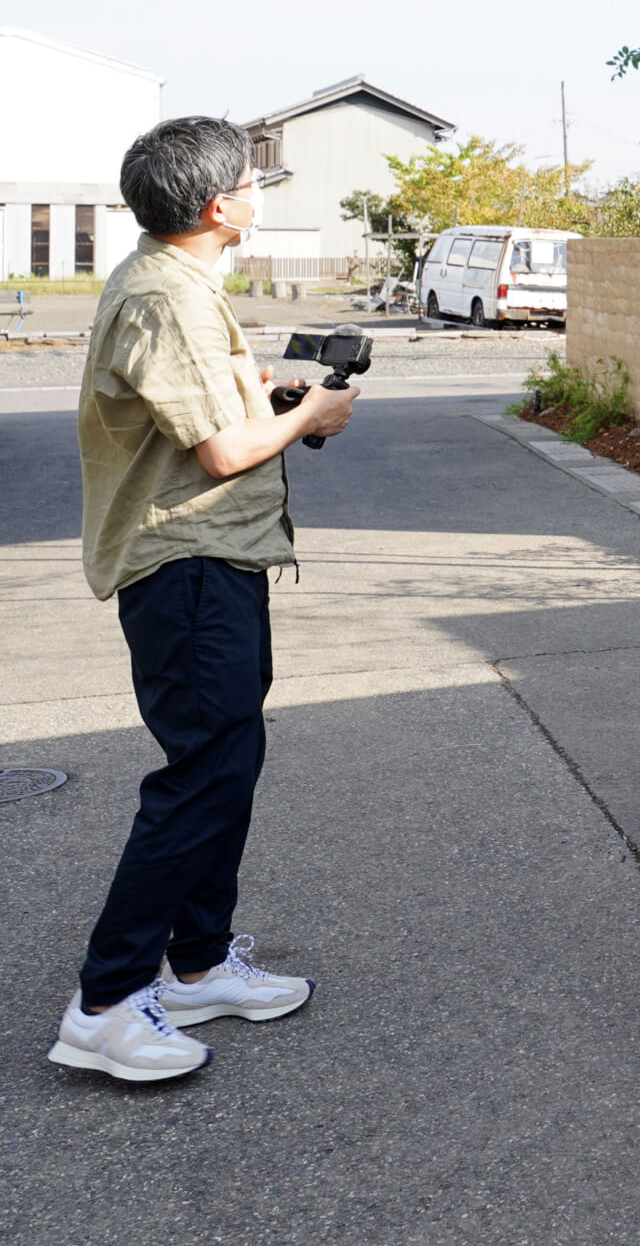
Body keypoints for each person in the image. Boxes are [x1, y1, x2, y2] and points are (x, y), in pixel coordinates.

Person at [48, 118, 356, 1084]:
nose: (260, 198)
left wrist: (269, 401)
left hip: (211, 556)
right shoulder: (164, 296)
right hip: (182, 563)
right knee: (201, 773)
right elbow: (222, 454)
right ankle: (104, 1004)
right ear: (220, 207)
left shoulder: (174, 282)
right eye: (251, 185)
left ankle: (198, 962)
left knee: (226, 761)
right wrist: (309, 413)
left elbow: (208, 423)